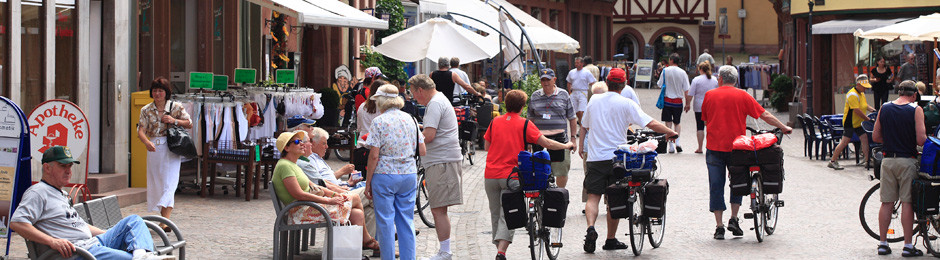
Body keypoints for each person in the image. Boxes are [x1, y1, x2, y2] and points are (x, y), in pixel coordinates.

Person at [10, 146, 173, 260]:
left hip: (92, 243)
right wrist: (53, 241)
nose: (68, 171)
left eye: (70, 166)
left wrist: (113, 235)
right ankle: (142, 257)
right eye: (63, 166)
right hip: (78, 252)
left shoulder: (61, 193)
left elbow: (78, 225)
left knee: (134, 221)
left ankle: (142, 256)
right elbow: (17, 223)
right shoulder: (38, 192)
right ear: (47, 168)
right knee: (128, 259)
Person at [578, 68, 678, 253]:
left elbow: (584, 125)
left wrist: (580, 148)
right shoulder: (626, 103)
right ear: (624, 85)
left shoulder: (594, 101)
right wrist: (669, 132)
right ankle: (610, 239)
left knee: (593, 197)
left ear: (607, 82)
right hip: (618, 158)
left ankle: (590, 228)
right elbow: (649, 123)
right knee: (613, 199)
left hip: (595, 157)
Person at [701, 65, 792, 240]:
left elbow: (705, 120)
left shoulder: (709, 95)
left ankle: (719, 227)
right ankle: (734, 219)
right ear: (735, 80)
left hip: (714, 147)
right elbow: (764, 114)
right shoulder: (742, 95)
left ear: (719, 79)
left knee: (716, 185)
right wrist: (783, 127)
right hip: (738, 148)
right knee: (738, 182)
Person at [483, 90, 574, 260]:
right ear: (523, 106)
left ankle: (499, 250)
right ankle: (501, 252)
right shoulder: (524, 124)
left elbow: (487, 147)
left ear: (506, 105)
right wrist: (566, 145)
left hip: (490, 175)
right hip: (512, 176)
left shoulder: (495, 122)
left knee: (495, 214)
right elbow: (546, 143)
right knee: (508, 213)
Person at [271, 131, 380, 255]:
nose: (302, 144)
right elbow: (299, 194)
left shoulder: (293, 165)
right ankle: (366, 240)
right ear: (286, 147)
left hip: (307, 206)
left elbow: (316, 186)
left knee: (357, 213)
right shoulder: (285, 166)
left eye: (302, 141)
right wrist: (329, 200)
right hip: (297, 211)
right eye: (297, 142)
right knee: (355, 197)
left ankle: (350, 252)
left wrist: (335, 195)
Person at [364, 85, 426, 260]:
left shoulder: (379, 121)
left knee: (385, 222)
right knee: (406, 220)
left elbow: (374, 156)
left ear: (381, 102)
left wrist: (368, 182)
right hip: (408, 174)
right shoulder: (411, 119)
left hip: (384, 175)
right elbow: (422, 150)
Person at [408, 74, 462, 260]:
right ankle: (444, 250)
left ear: (420, 90)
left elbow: (429, 136)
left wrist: (408, 138)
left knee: (438, 209)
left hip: (442, 161)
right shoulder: (438, 101)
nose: (414, 97)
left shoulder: (435, 103)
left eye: (413, 93)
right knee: (438, 209)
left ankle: (445, 252)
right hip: (442, 160)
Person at [872, 80, 926, 256]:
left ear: (898, 92)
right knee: (907, 202)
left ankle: (882, 243)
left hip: (887, 160)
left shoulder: (885, 108)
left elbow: (876, 135)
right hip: (907, 161)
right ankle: (908, 246)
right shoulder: (916, 109)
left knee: (886, 202)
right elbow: (921, 140)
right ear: (914, 94)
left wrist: (891, 140)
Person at [135, 77, 191, 232]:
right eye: (155, 90)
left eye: (160, 90)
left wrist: (174, 120)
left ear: (166, 92)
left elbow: (189, 123)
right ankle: (163, 220)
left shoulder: (176, 107)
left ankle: (164, 221)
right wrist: (146, 142)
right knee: (157, 183)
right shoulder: (146, 110)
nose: (157, 93)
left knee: (169, 183)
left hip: (172, 147)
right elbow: (141, 130)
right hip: (154, 148)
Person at [527, 68, 579, 188]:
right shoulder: (535, 96)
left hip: (560, 139)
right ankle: (542, 195)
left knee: (562, 170)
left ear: (554, 80)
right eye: (543, 80)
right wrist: (528, 141)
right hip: (540, 139)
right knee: (540, 170)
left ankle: (559, 194)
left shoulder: (563, 94)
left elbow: (572, 118)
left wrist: (573, 139)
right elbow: (530, 120)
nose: (546, 82)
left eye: (548, 80)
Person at [828, 75, 876, 170]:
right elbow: (856, 110)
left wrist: (873, 110)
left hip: (858, 122)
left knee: (864, 139)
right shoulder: (852, 94)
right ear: (858, 85)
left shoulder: (861, 93)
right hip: (850, 122)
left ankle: (867, 161)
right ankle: (832, 161)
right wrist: (867, 119)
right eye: (864, 87)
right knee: (845, 142)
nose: (865, 89)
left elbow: (864, 105)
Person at [657, 53, 691, 153]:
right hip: (678, 101)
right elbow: (686, 90)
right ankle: (678, 142)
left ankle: (671, 145)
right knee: (677, 122)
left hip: (667, 100)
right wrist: (687, 103)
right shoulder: (683, 72)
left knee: (668, 123)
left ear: (671, 60)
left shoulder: (665, 71)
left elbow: (659, 84)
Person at [685, 62, 719, 154]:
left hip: (699, 106)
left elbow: (690, 94)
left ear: (700, 69)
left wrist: (687, 104)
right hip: (712, 106)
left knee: (700, 127)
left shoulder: (696, 80)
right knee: (711, 127)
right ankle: (711, 147)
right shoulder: (714, 79)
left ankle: (700, 148)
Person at [567, 57, 597, 123]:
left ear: (582, 63)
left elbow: (592, 82)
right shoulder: (571, 72)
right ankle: (581, 122)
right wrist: (569, 92)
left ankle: (582, 123)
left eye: (578, 63)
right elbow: (569, 82)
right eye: (575, 63)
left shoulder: (587, 72)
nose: (576, 64)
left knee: (582, 110)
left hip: (583, 92)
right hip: (574, 92)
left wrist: (596, 92)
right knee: (575, 110)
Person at [358, 79, 385, 144]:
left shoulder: (362, 106)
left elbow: (359, 127)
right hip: (377, 145)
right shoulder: (382, 108)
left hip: (362, 143)